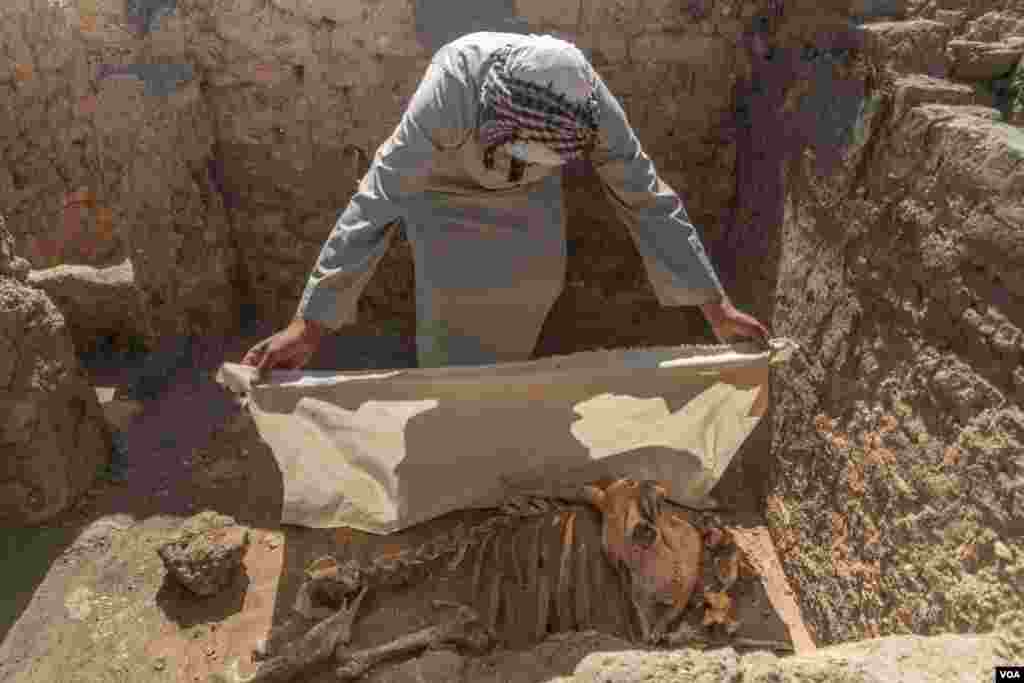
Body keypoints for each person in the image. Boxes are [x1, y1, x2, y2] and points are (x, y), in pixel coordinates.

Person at [242, 31, 769, 375]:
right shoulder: (449, 89)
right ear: (491, 117)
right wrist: (310, 325)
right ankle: (450, 410)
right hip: (445, 190)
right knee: (451, 307)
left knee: (533, 285)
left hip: (527, 200)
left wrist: (714, 306)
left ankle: (500, 399)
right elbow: (377, 202)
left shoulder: (589, 110)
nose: (516, 163)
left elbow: (647, 199)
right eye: (513, 152)